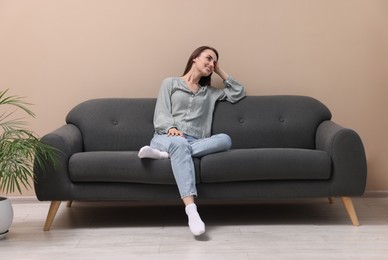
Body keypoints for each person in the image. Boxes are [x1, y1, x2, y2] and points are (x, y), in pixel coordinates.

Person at [138, 46, 245, 236]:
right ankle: (191, 210)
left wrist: (219, 70)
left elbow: (238, 92)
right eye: (208, 58)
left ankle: (164, 156)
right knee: (178, 144)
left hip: (195, 141)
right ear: (195, 58)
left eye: (214, 62)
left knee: (225, 139)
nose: (211, 63)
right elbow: (161, 112)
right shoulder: (170, 83)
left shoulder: (210, 93)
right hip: (166, 137)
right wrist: (171, 128)